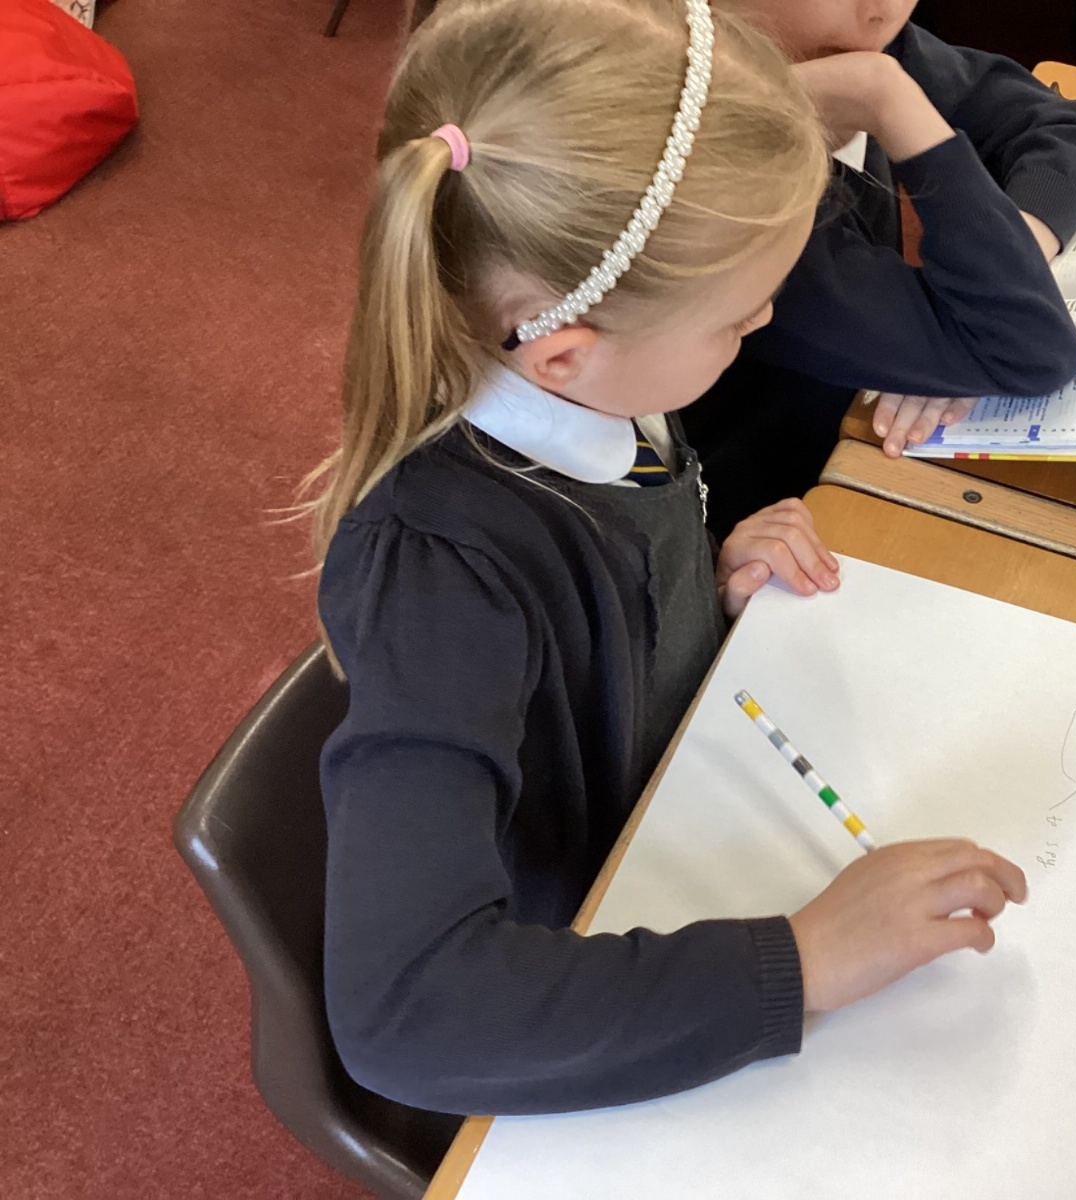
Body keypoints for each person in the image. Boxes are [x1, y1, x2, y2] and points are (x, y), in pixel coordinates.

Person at [307, 0, 1028, 1116]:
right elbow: (405, 1014)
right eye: (737, 321)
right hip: (598, 951)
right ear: (565, 355)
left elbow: (603, 609)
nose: (765, 321)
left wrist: (705, 582)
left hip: (681, 807)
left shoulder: (606, 392)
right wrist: (808, 961)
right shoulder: (437, 577)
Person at [680, 0, 1076, 536]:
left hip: (859, 436)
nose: (884, 9)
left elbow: (1061, 122)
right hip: (771, 511)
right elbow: (1029, 350)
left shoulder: (851, 49)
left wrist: (1017, 244)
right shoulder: (724, 196)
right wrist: (889, 100)